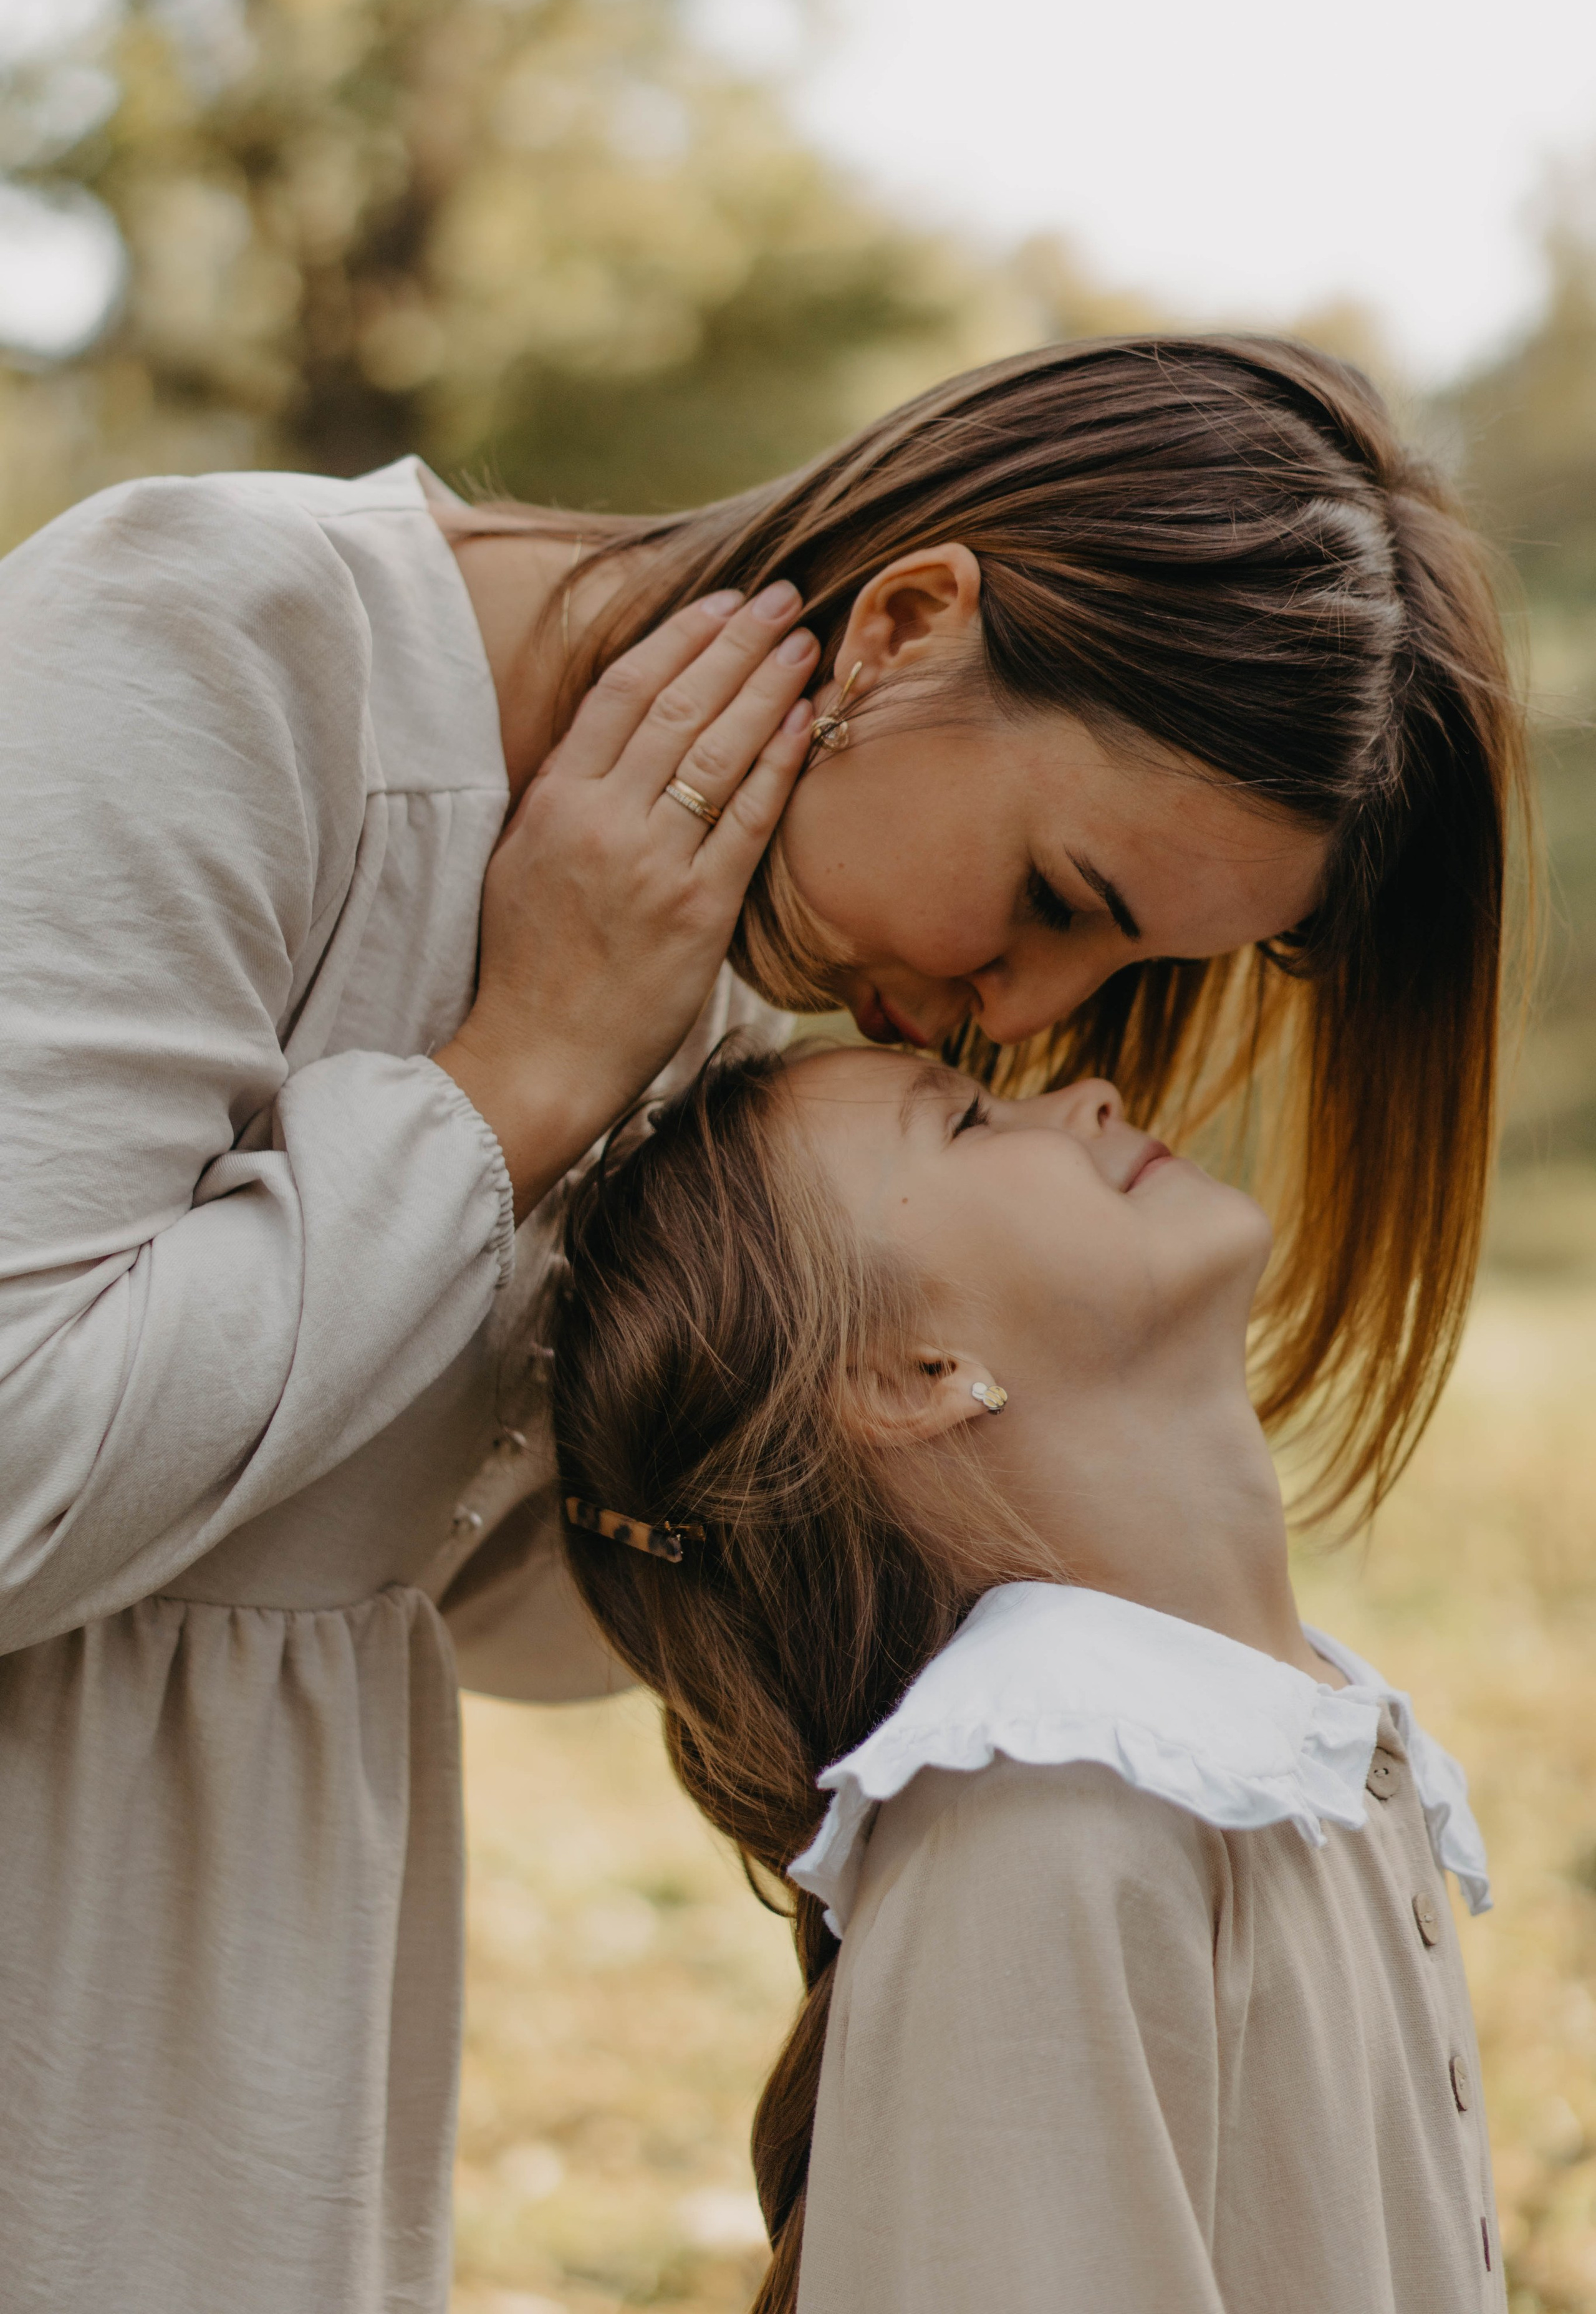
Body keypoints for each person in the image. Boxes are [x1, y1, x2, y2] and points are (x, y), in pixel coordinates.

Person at [0, 336, 1518, 2312]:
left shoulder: (719, 949)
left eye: (1119, 962)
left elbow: (427, 1580)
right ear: (906, 623)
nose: (1025, 1015)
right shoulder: (226, 646)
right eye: (1057, 896)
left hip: (254, 1984)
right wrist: (522, 1075)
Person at [550, 1041, 1502, 2314]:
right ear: (912, 1375)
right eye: (968, 1122)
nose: (1090, 1096)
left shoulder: (1252, 1743)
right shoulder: (1048, 1813)